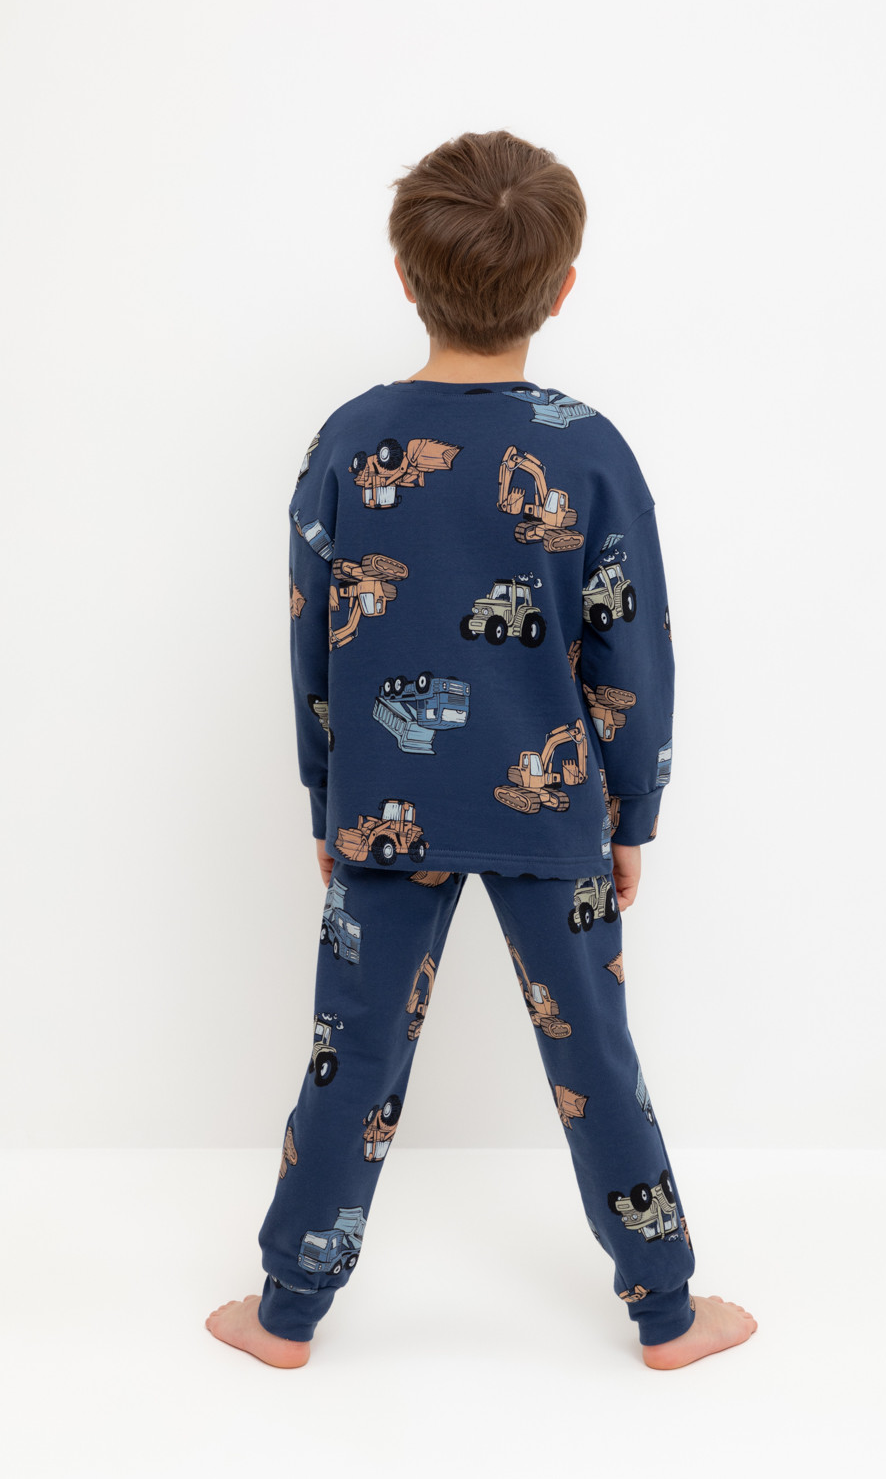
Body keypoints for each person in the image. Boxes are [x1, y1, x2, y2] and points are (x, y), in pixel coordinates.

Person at [206, 129, 757, 1370]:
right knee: (594, 1051)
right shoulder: (588, 447)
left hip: (383, 804)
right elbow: (633, 650)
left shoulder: (348, 438)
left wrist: (327, 798)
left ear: (405, 276)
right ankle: (666, 1313)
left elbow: (312, 636)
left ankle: (285, 1314)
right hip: (552, 814)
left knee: (351, 1055)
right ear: (562, 288)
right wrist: (631, 814)